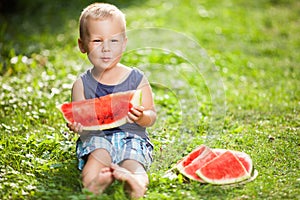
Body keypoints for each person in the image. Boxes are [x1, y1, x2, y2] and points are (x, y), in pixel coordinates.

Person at [67, 2, 157, 199]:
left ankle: (136, 184)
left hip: (132, 137)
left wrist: (142, 117)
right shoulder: (81, 85)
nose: (106, 48)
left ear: (124, 43)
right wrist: (77, 126)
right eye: (97, 41)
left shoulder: (137, 79)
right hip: (96, 138)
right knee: (95, 160)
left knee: (134, 163)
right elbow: (80, 119)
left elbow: (151, 115)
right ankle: (94, 184)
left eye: (114, 41)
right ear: (82, 45)